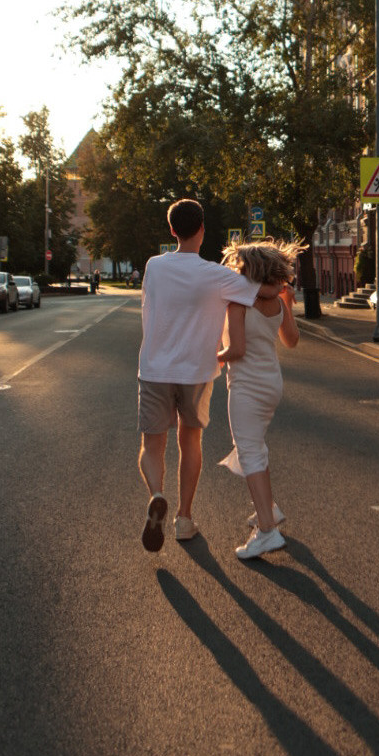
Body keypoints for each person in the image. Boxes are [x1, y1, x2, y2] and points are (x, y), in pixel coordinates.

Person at [137, 199, 279, 553]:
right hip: (197, 372)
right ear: (202, 230)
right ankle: (184, 519)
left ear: (172, 230)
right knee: (190, 442)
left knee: (152, 445)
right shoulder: (217, 275)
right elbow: (264, 292)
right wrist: (282, 281)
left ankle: (157, 494)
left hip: (154, 369)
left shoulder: (154, 266)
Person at [217, 239, 301, 560]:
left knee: (249, 452)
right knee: (255, 447)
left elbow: (236, 350)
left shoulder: (238, 302)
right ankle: (269, 509)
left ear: (248, 270)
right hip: (271, 384)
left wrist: (212, 357)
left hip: (247, 387)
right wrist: (286, 301)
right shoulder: (278, 302)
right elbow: (291, 341)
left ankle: (267, 530)